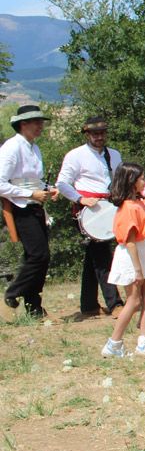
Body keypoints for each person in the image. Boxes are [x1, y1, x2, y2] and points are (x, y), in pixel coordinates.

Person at [57, 116, 124, 317]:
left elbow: (118, 180)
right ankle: (114, 303)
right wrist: (80, 199)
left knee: (94, 255)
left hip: (108, 208)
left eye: (102, 132)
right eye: (95, 133)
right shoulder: (75, 155)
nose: (99, 137)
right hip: (87, 211)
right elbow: (62, 184)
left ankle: (88, 305)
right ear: (87, 134)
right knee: (102, 255)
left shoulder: (114, 155)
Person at [1, 105, 57, 319]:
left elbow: (34, 179)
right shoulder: (11, 148)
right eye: (36, 122)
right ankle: (14, 292)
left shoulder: (33, 147)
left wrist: (46, 189)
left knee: (39, 256)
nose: (40, 126)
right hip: (20, 207)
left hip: (34, 206)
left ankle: (34, 307)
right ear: (23, 124)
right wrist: (30, 194)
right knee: (38, 255)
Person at [101, 163, 145, 357]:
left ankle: (143, 340)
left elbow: (143, 205)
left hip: (141, 251)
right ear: (131, 181)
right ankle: (114, 343)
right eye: (142, 178)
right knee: (134, 301)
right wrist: (137, 270)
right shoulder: (128, 208)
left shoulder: (136, 203)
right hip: (131, 255)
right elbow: (130, 242)